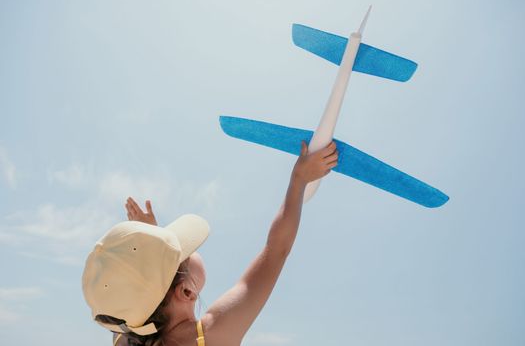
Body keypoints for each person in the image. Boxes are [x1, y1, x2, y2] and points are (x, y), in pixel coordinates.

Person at [82, 140, 339, 346]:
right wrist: (298, 180)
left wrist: (151, 248)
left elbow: (130, 293)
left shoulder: (124, 337)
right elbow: (275, 251)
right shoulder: (211, 335)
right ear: (186, 292)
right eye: (184, 251)